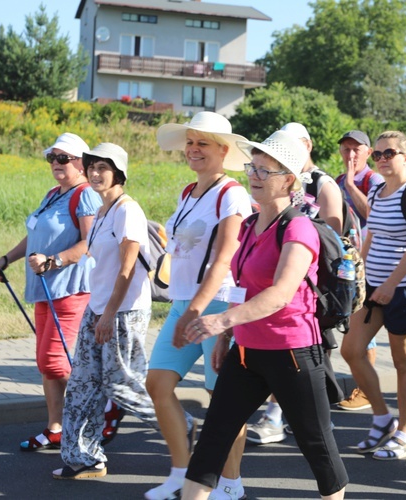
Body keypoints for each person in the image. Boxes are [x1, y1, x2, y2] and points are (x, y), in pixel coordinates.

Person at [180, 130, 348, 500]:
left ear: (288, 179)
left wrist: (219, 323)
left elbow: (280, 294)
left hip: (293, 353)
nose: (253, 176)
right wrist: (227, 336)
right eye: (251, 168)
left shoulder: (300, 227)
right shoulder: (248, 226)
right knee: (213, 439)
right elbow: (243, 290)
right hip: (246, 352)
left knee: (317, 446)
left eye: (264, 171)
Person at [146, 111, 252, 500]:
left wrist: (197, 310)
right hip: (183, 301)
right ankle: (180, 473)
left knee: (223, 398)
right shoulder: (188, 192)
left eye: (202, 143)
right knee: (157, 384)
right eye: (190, 141)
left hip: (218, 304)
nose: (193, 149)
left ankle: (230, 483)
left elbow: (226, 256)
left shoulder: (232, 194)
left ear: (224, 150)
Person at [52, 143, 159, 479]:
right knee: (83, 384)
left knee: (123, 386)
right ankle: (84, 458)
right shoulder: (101, 210)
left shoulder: (128, 211)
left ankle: (184, 430)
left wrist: (109, 314)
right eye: (92, 167)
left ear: (119, 173)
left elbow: (127, 270)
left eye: (104, 168)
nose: (95, 174)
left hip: (123, 312)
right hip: (97, 307)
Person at [0, 132, 102, 451]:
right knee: (45, 362)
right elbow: (34, 235)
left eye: (63, 158)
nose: (56, 163)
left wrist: (54, 261)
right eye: (52, 157)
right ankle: (56, 427)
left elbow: (90, 243)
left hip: (70, 289)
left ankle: (86, 419)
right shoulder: (54, 194)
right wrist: (7, 259)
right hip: (44, 289)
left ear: (82, 163)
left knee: (56, 361)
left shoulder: (85, 195)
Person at [245, 122, 347, 445]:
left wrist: (292, 240)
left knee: (301, 358)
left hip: (308, 285)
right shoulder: (271, 183)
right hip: (271, 276)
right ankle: (288, 417)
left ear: (308, 145)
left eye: (296, 143)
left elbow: (332, 239)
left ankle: (290, 420)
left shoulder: (324, 184)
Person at [340, 130, 406, 461]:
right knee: (351, 349)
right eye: (377, 154)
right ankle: (382, 418)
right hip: (374, 288)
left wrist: (391, 284)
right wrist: (360, 277)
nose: (381, 158)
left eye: (388, 153)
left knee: (402, 361)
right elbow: (371, 236)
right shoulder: (379, 191)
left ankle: (405, 436)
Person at [334, 130, 384, 412]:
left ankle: (365, 390)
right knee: (352, 322)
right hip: (346, 263)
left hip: (369, 264)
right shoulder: (338, 181)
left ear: (368, 153)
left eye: (357, 150)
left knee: (364, 327)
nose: (350, 155)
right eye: (346, 149)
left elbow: (373, 215)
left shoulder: (373, 180)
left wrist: (352, 185)